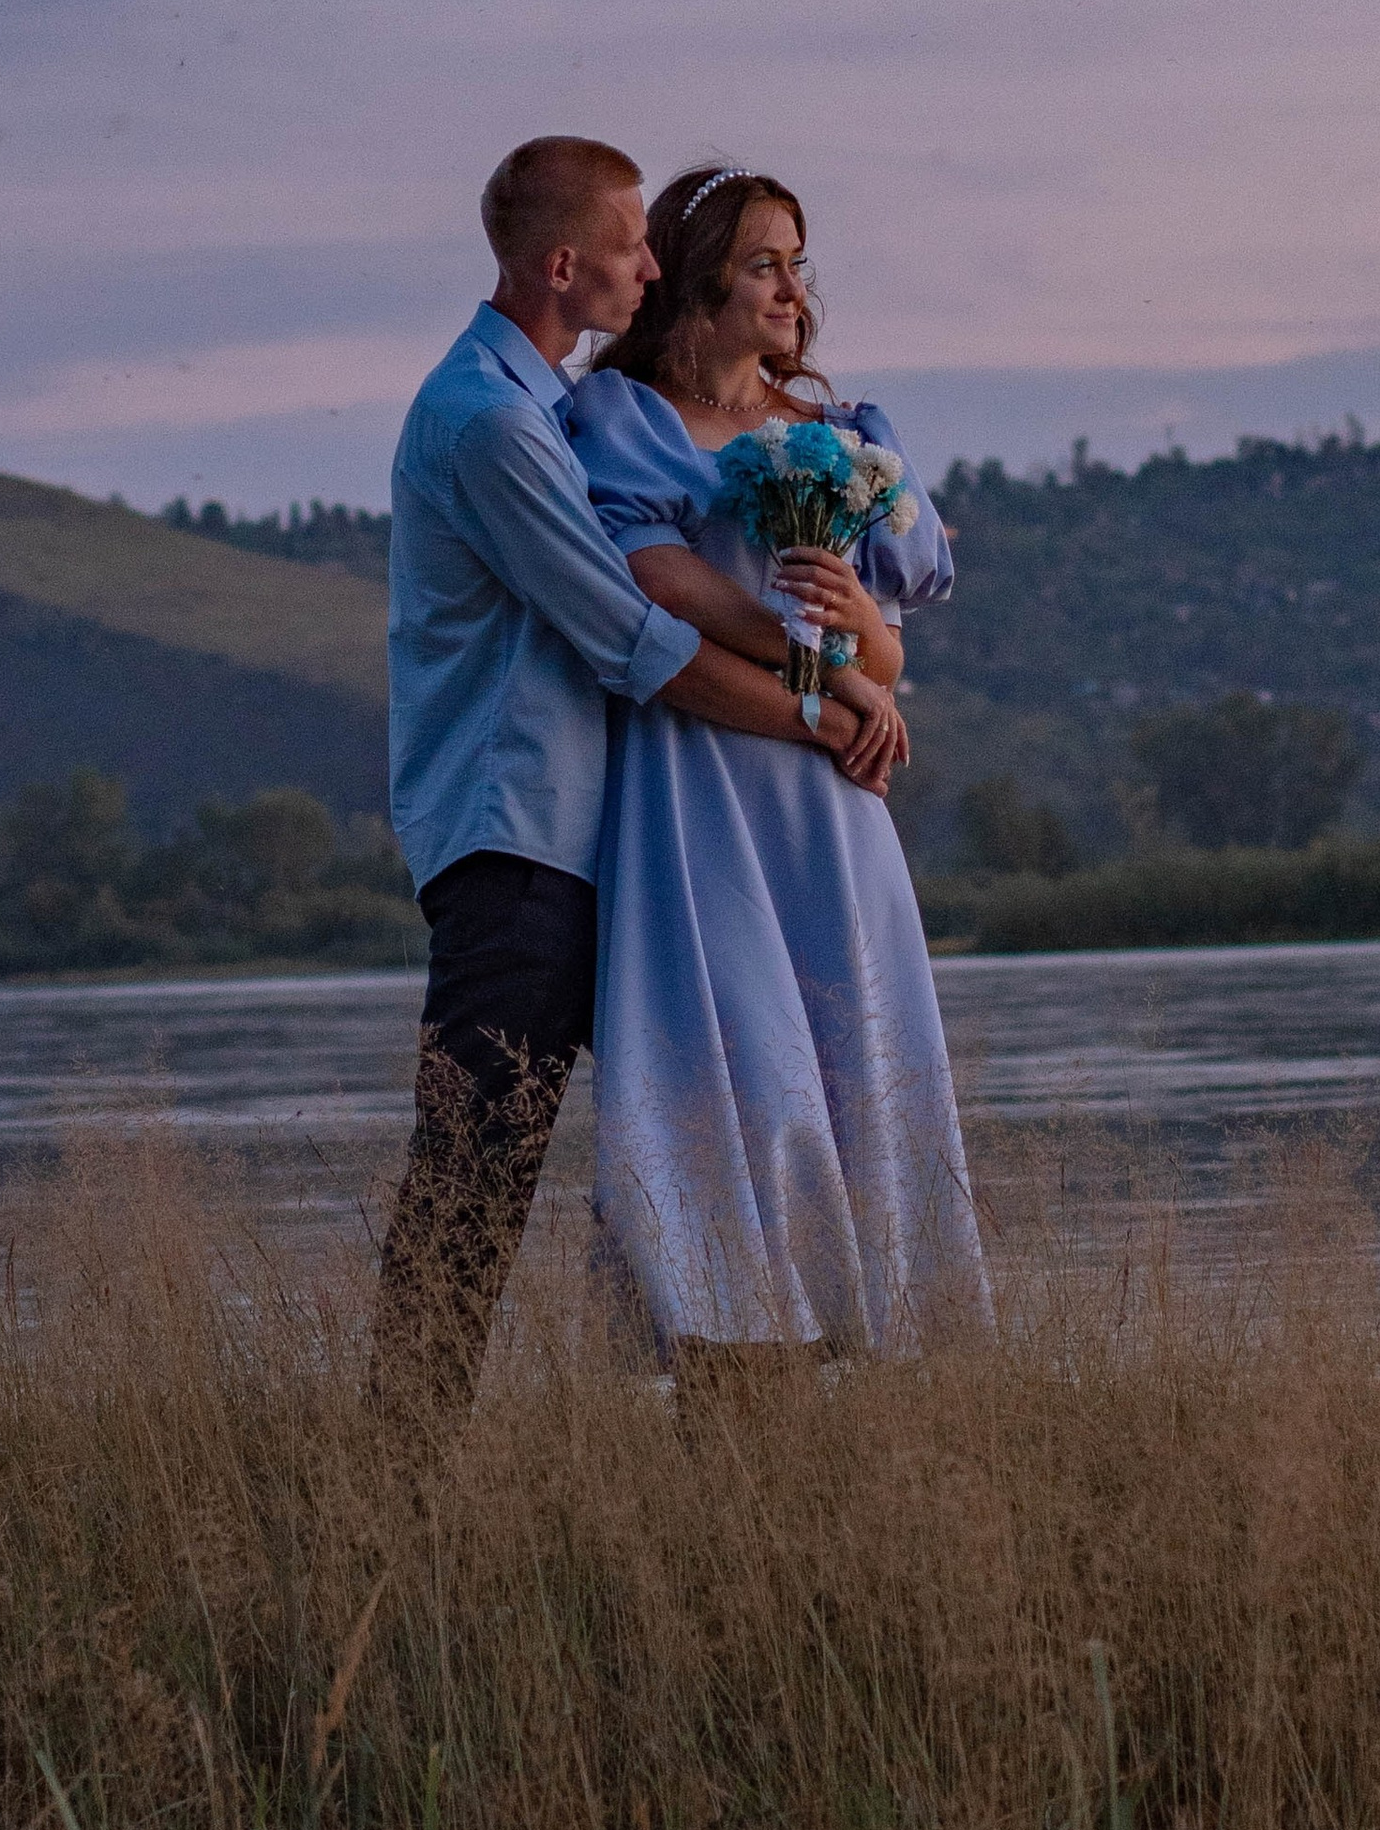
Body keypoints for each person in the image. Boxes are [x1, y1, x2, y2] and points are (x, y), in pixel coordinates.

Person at [371, 135, 903, 1422]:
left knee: (713, 1133)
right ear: (565, 265)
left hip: (605, 847)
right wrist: (823, 712)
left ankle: (745, 1442)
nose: (649, 265)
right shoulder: (492, 425)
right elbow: (632, 644)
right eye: (628, 246)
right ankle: (389, 1493)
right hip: (518, 851)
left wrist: (850, 672)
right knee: (473, 1181)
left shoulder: (544, 407)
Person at [565, 164, 993, 1355]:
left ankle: (877, 1326)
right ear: (695, 284)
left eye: (800, 262)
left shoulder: (839, 439)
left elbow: (890, 654)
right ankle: (734, 1328)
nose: (793, 288)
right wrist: (829, 675)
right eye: (764, 262)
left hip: (833, 803)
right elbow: (656, 576)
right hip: (702, 780)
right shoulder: (627, 423)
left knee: (855, 1051)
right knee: (738, 1056)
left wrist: (854, 620)